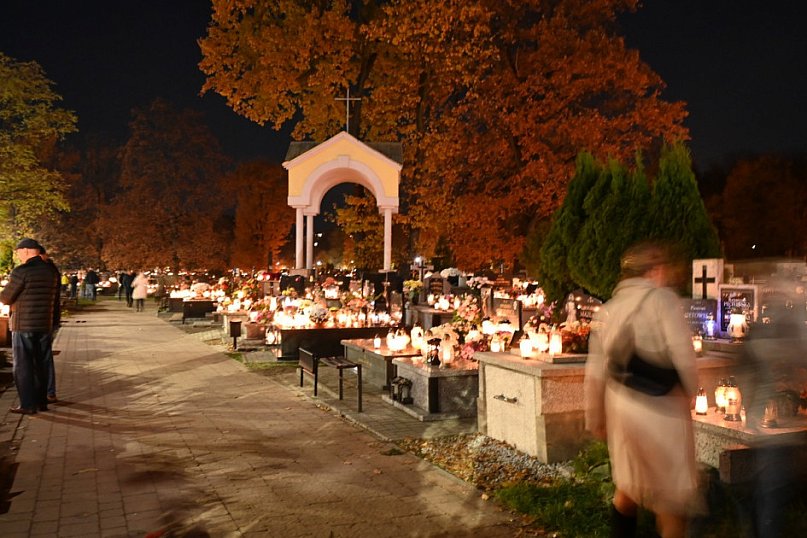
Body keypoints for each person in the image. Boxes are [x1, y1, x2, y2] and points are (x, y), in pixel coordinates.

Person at [584, 241, 701, 538]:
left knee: (627, 489)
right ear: (654, 270)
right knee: (671, 502)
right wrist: (689, 393)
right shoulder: (663, 300)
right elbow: (684, 356)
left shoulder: (607, 310)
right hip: (661, 410)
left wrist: (595, 415)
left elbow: (596, 369)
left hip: (621, 408)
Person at [739, 280, 807, 538]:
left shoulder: (762, 331)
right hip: (775, 429)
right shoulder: (783, 332)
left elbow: (746, 369)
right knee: (772, 493)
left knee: (769, 492)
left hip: (770, 426)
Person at [0, 238, 61, 415]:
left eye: (18, 252)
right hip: (44, 323)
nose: (17, 256)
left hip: (24, 324)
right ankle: (41, 402)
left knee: (23, 365)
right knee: (41, 364)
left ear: (26, 251)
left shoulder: (22, 271)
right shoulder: (51, 272)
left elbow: (6, 298)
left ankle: (27, 404)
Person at [38, 245, 61, 403]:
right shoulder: (52, 269)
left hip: (42, 319)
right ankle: (48, 392)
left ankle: (47, 391)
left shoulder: (45, 270)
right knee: (44, 355)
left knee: (43, 355)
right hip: (48, 318)